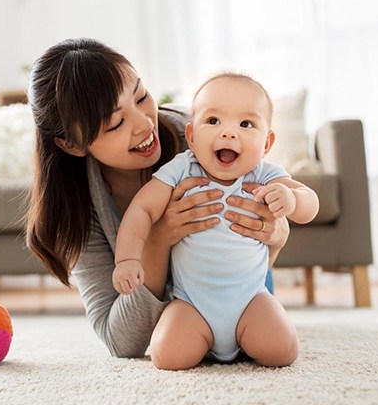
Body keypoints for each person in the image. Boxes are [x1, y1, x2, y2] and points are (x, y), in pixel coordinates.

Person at [26, 38, 291, 362]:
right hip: (184, 320)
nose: (144, 123)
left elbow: (271, 211)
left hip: (246, 294)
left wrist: (276, 235)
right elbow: (121, 341)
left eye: (141, 96)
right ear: (72, 144)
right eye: (116, 123)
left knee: (274, 343)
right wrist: (158, 239)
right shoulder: (78, 207)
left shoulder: (203, 139)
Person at [113, 72, 319, 370]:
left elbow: (309, 202)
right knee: (167, 356)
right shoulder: (182, 169)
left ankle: (246, 336)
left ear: (267, 142)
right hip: (191, 304)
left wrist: (293, 199)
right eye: (213, 121)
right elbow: (142, 210)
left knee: (282, 351)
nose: (229, 133)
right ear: (192, 136)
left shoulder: (264, 174)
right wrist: (127, 259)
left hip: (250, 299)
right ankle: (204, 340)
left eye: (246, 124)